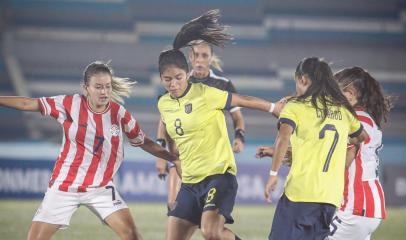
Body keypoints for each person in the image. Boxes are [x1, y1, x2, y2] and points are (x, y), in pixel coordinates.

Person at [0, 61, 180, 240]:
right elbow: (27, 104)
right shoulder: (69, 104)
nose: (104, 92)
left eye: (108, 87)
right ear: (86, 88)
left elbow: (144, 142)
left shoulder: (119, 114)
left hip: (101, 187)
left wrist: (171, 157)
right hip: (65, 185)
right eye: (98, 87)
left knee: (132, 236)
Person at [157, 9, 284, 240]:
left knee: (211, 232)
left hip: (218, 175)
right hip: (190, 181)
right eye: (167, 79)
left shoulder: (207, 91)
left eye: (178, 77)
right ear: (161, 79)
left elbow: (243, 101)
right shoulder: (164, 104)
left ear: (187, 73)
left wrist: (273, 108)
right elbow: (167, 130)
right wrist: (164, 155)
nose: (173, 84)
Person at [262, 57, 368, 240]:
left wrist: (273, 174)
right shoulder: (342, 110)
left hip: (301, 193)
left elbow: (284, 136)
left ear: (302, 79)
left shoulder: (295, 106)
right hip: (329, 198)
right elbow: (362, 137)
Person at [155, 40, 246, 212]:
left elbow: (237, 116)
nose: (199, 60)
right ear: (190, 57)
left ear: (211, 58)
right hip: (182, 154)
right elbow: (165, 119)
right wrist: (162, 153)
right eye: (196, 55)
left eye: (204, 55)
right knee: (173, 205)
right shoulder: (177, 80)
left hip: (211, 157)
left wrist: (240, 137)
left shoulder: (222, 83)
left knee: (205, 216)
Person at [328, 67, 394, 240]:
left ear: (349, 93)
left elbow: (344, 158)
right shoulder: (364, 117)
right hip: (365, 206)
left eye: (334, 90)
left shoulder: (356, 119)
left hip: (357, 206)